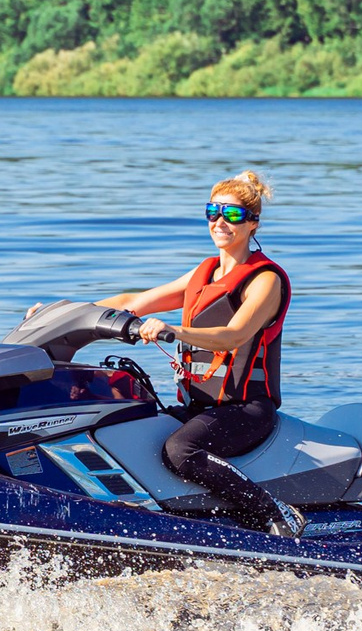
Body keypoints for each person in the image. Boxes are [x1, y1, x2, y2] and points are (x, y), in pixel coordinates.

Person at [95, 170, 306, 538]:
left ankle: (275, 513)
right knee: (128, 422)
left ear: (253, 222)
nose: (220, 221)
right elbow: (133, 302)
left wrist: (173, 329)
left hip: (246, 410)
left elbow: (233, 335)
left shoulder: (265, 279)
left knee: (180, 450)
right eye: (213, 212)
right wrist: (62, 311)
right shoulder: (203, 273)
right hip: (201, 407)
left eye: (233, 214)